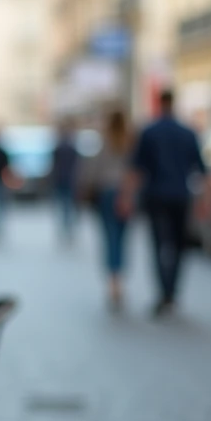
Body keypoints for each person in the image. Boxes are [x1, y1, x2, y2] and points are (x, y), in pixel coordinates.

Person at [120, 89, 211, 317]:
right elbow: (202, 171)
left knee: (159, 245)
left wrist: (127, 196)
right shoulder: (188, 133)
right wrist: (204, 201)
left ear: (160, 104)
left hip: (156, 196)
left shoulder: (149, 132)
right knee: (179, 246)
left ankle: (164, 292)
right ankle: (172, 291)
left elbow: (136, 169)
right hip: (181, 196)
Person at [78, 111, 133, 310]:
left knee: (110, 238)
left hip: (108, 194)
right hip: (126, 194)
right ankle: (119, 280)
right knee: (122, 238)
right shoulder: (130, 142)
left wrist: (85, 188)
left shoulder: (104, 142)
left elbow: (91, 171)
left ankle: (113, 282)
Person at [51, 120, 80, 243]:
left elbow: (54, 167)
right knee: (67, 207)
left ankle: (66, 229)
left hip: (62, 180)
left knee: (64, 207)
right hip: (68, 181)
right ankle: (68, 230)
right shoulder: (71, 149)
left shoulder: (59, 148)